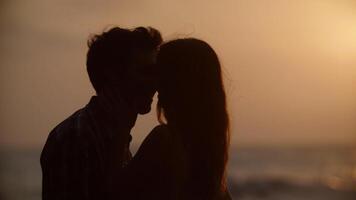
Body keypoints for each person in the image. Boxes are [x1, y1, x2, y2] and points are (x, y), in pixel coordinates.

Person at [40, 26, 162, 200]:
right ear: (113, 76)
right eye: (145, 72)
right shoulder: (76, 137)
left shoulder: (115, 133)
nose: (155, 83)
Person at [120, 38, 231, 200]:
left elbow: (114, 193)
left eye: (159, 74)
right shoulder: (208, 159)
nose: (154, 85)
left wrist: (121, 128)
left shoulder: (164, 140)